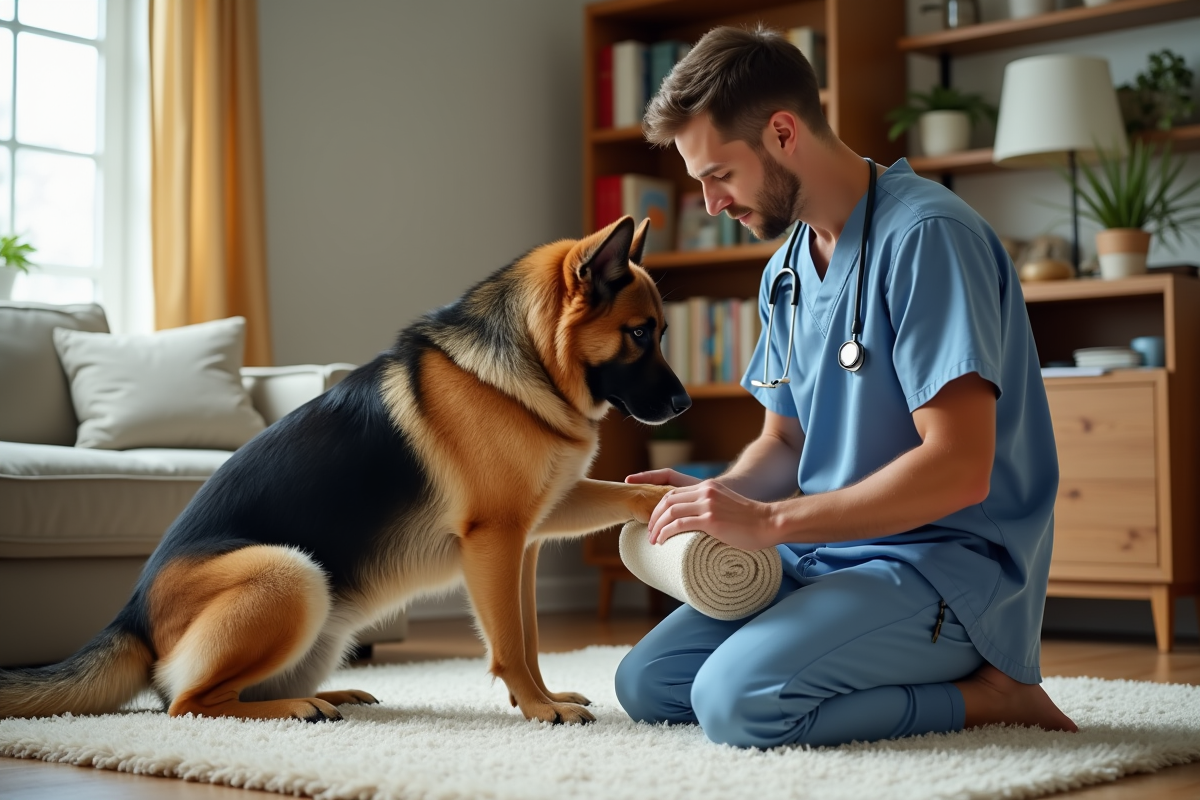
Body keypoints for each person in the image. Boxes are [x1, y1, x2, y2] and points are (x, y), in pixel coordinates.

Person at [615, 25, 1079, 749]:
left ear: (781, 131)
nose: (710, 204)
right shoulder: (786, 270)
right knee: (648, 684)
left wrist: (768, 526)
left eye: (719, 176)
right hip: (831, 552)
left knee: (737, 703)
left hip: (943, 568)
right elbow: (784, 440)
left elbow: (959, 467)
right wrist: (727, 500)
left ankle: (993, 695)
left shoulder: (928, 236)